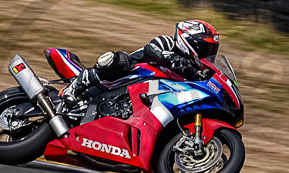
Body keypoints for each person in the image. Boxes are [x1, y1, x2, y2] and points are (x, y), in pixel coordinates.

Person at [61, 20, 220, 109]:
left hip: (144, 101)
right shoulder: (168, 42)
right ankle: (77, 85)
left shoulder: (191, 72)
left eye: (212, 50)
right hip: (125, 77)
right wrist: (173, 59)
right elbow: (151, 50)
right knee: (120, 60)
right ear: (188, 41)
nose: (208, 53)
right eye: (205, 48)